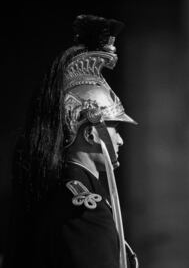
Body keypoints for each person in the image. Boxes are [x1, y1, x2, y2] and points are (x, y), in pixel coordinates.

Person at [3, 15, 138, 268]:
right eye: (115, 128)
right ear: (90, 134)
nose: (120, 140)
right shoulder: (86, 211)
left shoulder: (56, 192)